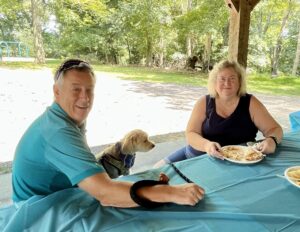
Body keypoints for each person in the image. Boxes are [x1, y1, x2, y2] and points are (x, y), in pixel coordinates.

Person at [12, 59, 204, 208]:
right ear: (57, 91)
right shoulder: (58, 131)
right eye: (76, 90)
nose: (85, 98)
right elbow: (106, 194)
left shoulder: (68, 118)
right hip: (40, 210)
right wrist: (172, 193)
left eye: (90, 90)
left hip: (61, 195)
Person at [154, 59, 283, 167]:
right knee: (155, 171)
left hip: (240, 163)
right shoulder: (204, 102)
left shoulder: (251, 103)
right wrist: (207, 145)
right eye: (222, 79)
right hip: (197, 156)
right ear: (214, 83)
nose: (227, 83)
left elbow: (274, 128)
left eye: (232, 78)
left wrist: (272, 140)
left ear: (239, 83)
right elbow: (191, 134)